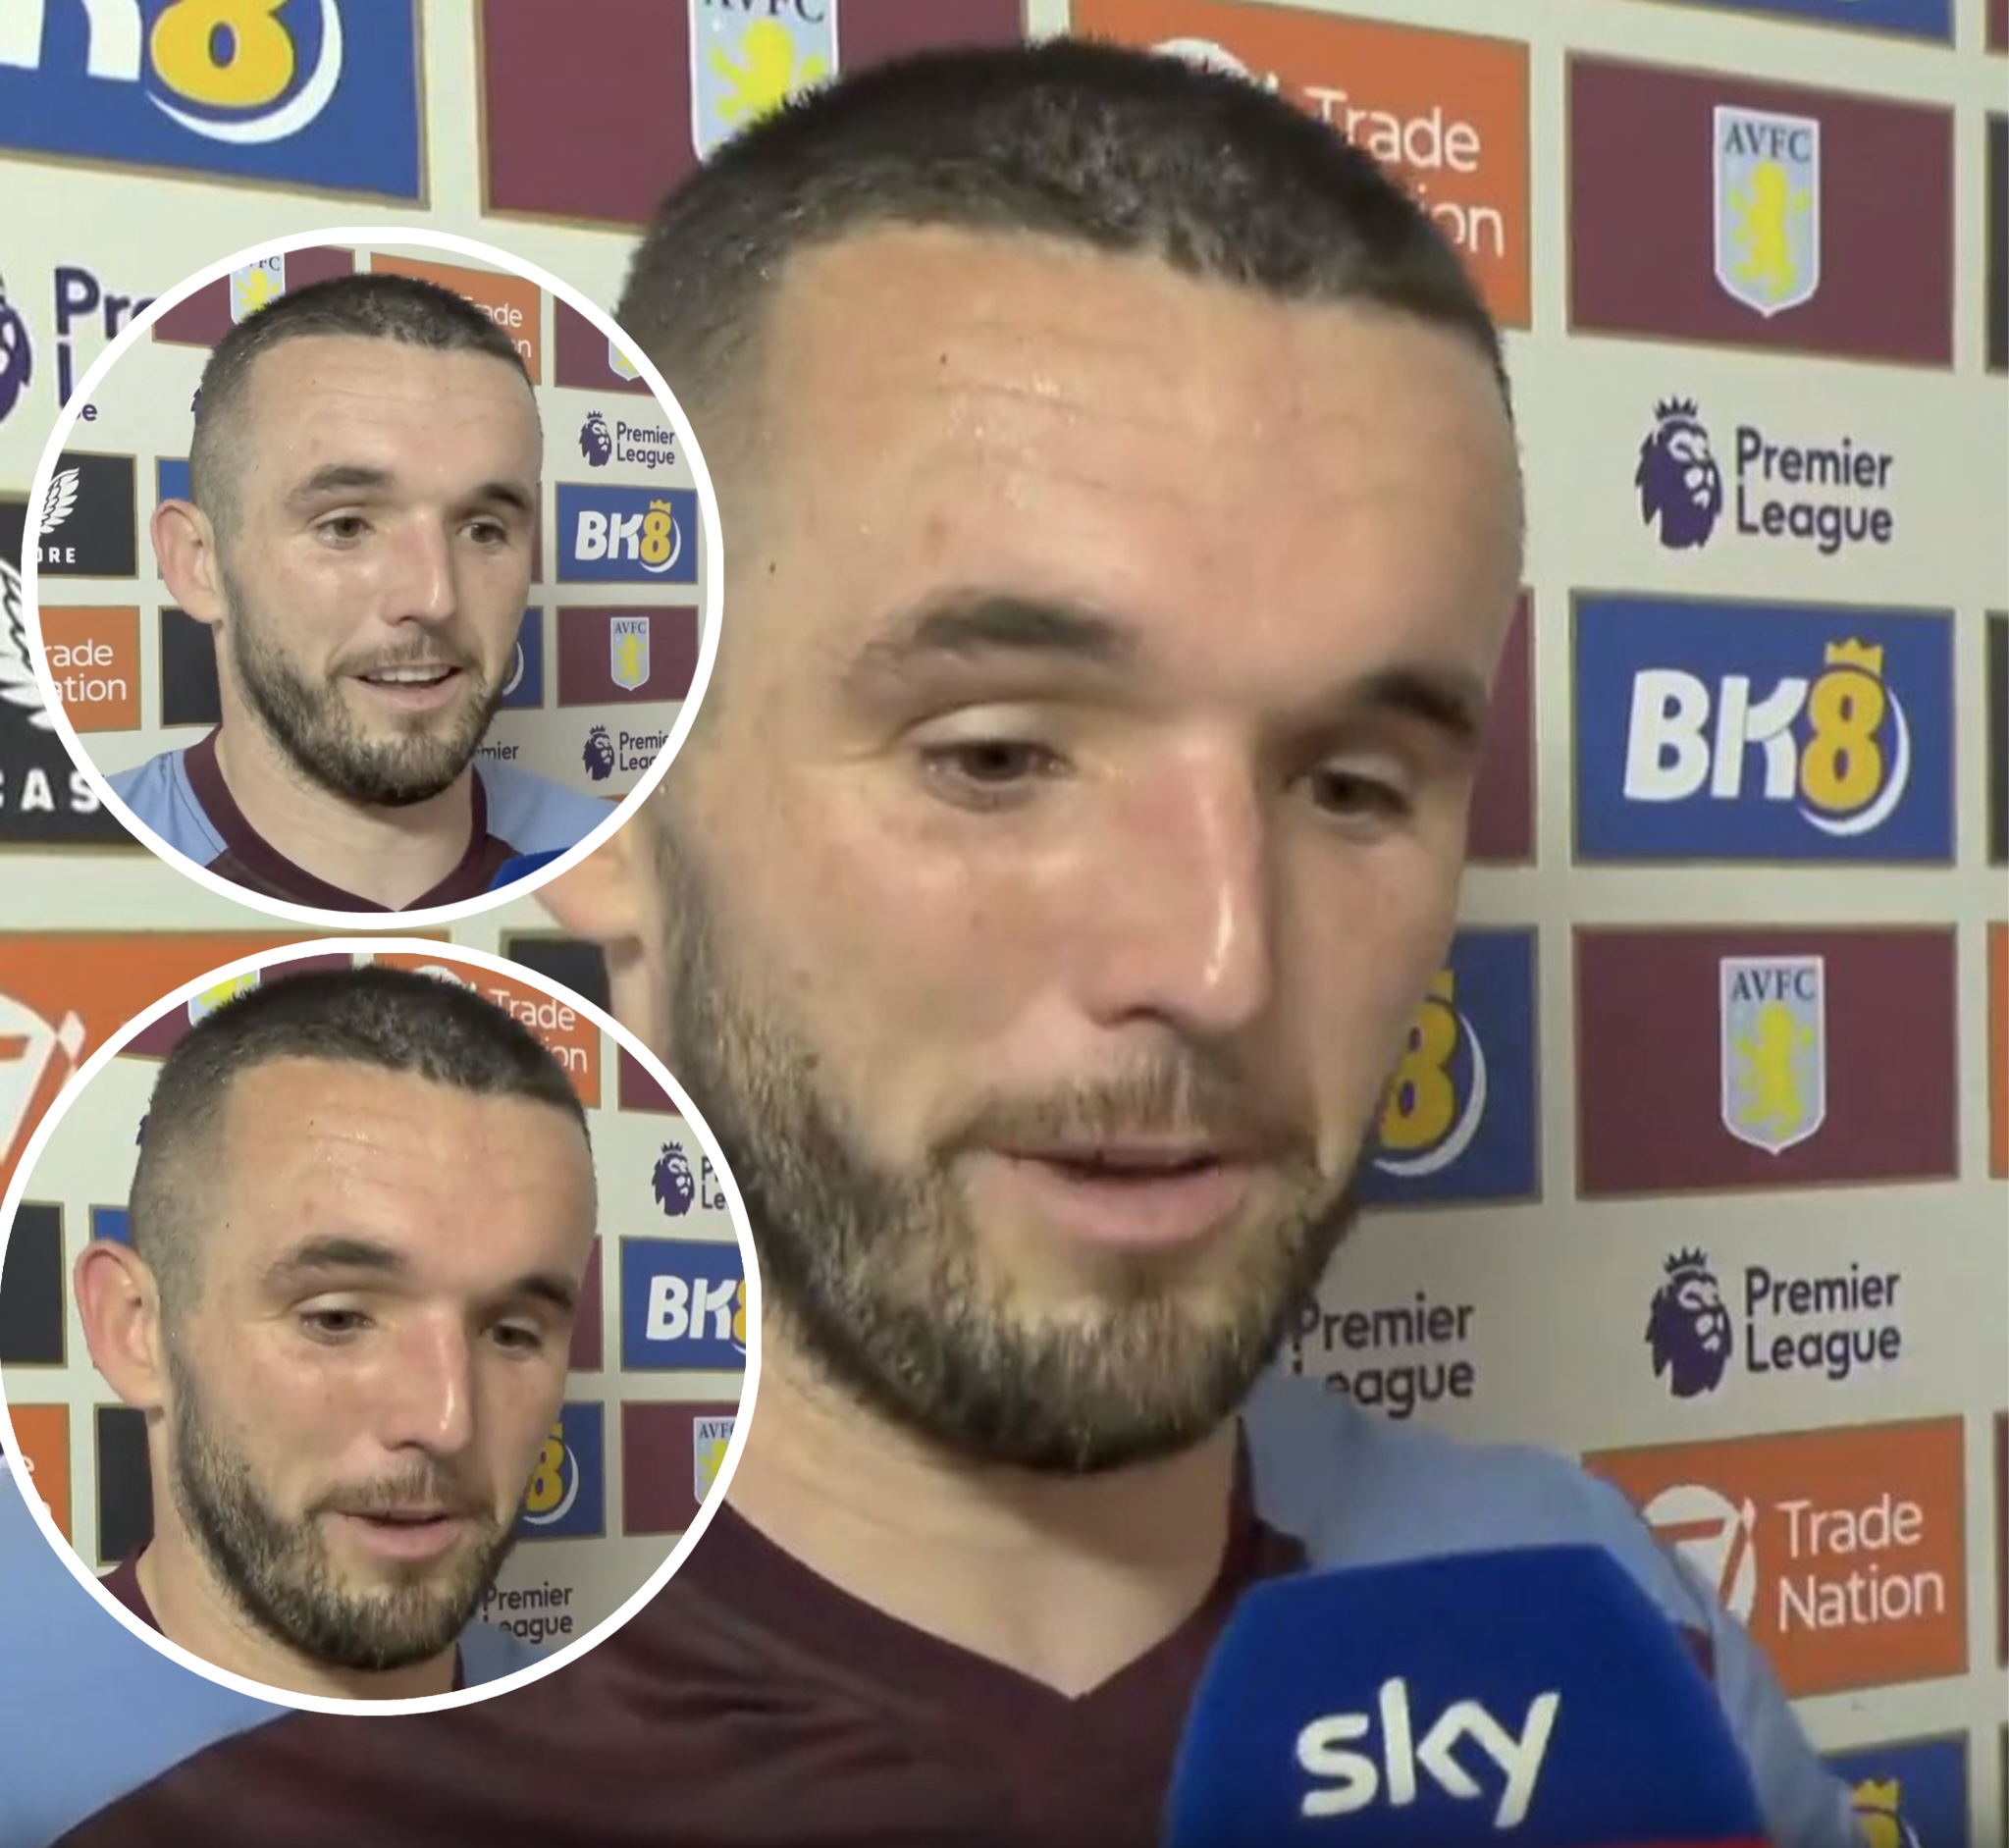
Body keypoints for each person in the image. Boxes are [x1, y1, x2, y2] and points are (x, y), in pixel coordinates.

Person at [0, 40, 1861, 1848]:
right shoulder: (158, 1771)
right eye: (994, 755)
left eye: (1351, 784)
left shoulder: (1611, 1635)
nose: (1219, 964)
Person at [24, 963, 596, 1716]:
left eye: (511, 1332)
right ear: (135, 1330)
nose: (447, 1421)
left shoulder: (632, 1754)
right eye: (337, 1319)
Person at [102, 273, 612, 911]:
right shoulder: (69, 873)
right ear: (198, 564)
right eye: (346, 526)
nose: (434, 597)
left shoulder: (628, 871)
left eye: (482, 529)